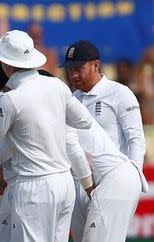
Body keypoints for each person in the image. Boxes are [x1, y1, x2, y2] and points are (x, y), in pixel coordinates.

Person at [0, 30, 93, 241]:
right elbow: (83, 120)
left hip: (34, 188)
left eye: (0, 59)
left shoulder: (11, 99)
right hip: (64, 183)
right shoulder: (56, 85)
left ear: (8, 65)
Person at [60, 40, 147, 241]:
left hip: (111, 179)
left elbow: (136, 140)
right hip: (80, 183)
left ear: (96, 65)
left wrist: (132, 179)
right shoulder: (71, 99)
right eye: (70, 69)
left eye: (79, 68)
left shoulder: (120, 93)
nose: (73, 75)